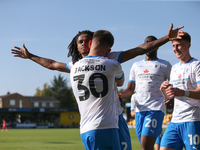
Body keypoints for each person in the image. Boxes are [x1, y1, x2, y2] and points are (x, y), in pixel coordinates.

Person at [11, 23, 183, 150]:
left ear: (94, 42)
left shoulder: (102, 59)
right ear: (77, 46)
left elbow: (140, 49)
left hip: (111, 121)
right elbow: (50, 64)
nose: (84, 44)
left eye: (88, 40)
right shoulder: (99, 62)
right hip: (104, 124)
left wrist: (165, 38)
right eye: (80, 42)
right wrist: (31, 56)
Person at [70, 30, 124, 150]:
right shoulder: (112, 64)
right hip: (105, 126)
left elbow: (51, 64)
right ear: (108, 51)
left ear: (90, 44)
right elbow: (120, 82)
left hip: (85, 129)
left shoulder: (74, 67)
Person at [119, 35, 172, 150]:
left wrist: (170, 97)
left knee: (146, 146)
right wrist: (119, 95)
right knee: (145, 146)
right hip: (139, 110)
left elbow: (173, 84)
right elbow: (130, 90)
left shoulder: (165, 65)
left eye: (151, 43)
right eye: (146, 43)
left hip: (155, 108)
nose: (148, 45)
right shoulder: (136, 65)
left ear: (156, 46)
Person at [159, 31, 200, 150]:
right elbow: (171, 99)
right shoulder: (174, 68)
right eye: (173, 46)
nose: (175, 49)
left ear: (188, 45)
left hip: (193, 120)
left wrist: (183, 92)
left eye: (178, 45)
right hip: (175, 121)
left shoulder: (197, 65)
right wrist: (165, 94)